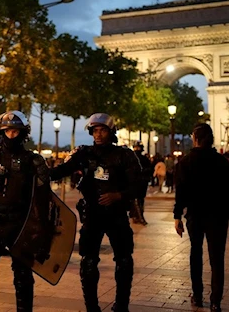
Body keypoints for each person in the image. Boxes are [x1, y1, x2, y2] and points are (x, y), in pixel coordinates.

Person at [49, 113, 140, 312]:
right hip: (92, 215)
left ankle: (122, 306)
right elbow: (61, 171)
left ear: (111, 132)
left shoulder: (125, 155)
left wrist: (118, 195)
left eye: (103, 130)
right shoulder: (84, 153)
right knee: (88, 262)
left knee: (124, 260)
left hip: (117, 215)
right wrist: (36, 168)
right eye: (95, 130)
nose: (98, 134)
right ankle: (92, 307)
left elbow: (138, 186)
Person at [0, 110, 51, 312]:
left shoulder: (34, 161)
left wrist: (43, 233)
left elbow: (43, 200)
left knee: (23, 277)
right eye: (7, 131)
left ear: (23, 133)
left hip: (20, 226)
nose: (11, 135)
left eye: (15, 131)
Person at [173, 123, 229, 312]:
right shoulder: (223, 162)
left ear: (195, 138)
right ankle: (216, 301)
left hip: (195, 215)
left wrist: (177, 216)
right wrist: (227, 212)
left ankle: (198, 296)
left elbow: (180, 193)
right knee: (217, 259)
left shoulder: (185, 162)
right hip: (218, 217)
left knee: (196, 254)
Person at [131, 143, 151, 225]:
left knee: (137, 200)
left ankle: (136, 216)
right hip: (139, 181)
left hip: (138, 181)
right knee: (138, 200)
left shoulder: (132, 158)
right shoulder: (142, 158)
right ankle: (139, 216)